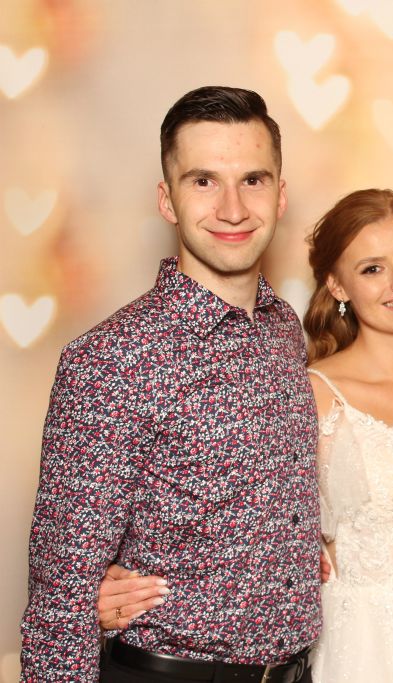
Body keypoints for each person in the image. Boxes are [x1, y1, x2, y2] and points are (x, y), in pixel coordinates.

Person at [98, 189, 393, 681]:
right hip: (380, 649)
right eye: (372, 269)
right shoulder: (311, 394)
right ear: (337, 285)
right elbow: (227, 510)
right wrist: (106, 585)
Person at [20, 86, 321, 682]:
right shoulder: (110, 359)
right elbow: (61, 597)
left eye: (253, 180)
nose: (233, 208)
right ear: (167, 200)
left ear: (280, 195)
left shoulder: (283, 327)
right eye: (203, 181)